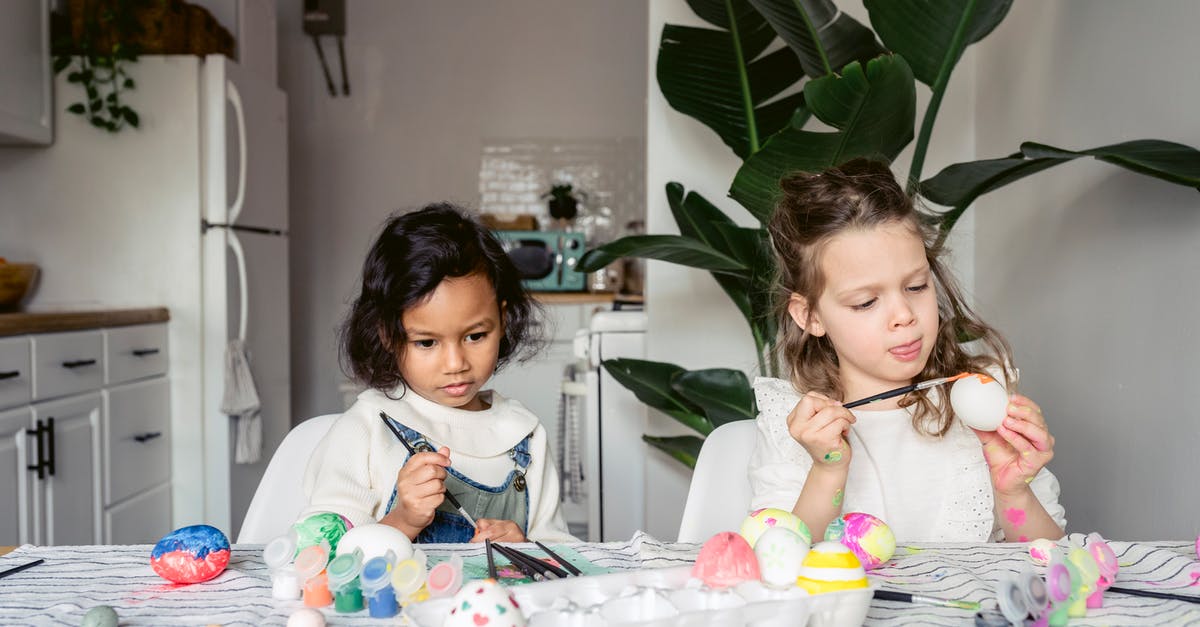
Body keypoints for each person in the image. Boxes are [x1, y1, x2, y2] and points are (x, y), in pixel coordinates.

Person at [749, 158, 1066, 543]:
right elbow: (780, 560)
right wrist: (827, 470)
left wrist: (1012, 490)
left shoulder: (986, 397)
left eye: (916, 287)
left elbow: (1054, 559)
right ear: (810, 315)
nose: (904, 316)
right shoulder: (793, 426)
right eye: (866, 302)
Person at [300, 203, 575, 543]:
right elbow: (321, 555)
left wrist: (526, 548)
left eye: (475, 336)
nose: (455, 363)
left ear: (502, 321)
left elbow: (563, 556)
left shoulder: (525, 435)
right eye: (427, 342)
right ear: (388, 335)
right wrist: (403, 520)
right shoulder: (367, 428)